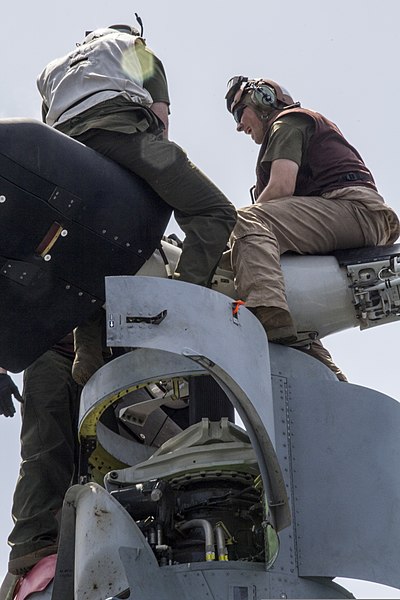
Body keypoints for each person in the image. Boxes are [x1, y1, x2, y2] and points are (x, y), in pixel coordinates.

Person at [37, 22, 237, 385]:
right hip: (124, 137)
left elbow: (49, 130)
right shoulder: (133, 46)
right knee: (214, 211)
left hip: (67, 161)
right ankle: (181, 306)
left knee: (87, 246)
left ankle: (87, 349)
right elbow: (159, 119)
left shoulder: (51, 70)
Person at [224, 76, 400, 380]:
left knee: (247, 219)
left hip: (352, 210)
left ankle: (265, 313)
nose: (239, 126)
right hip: (347, 217)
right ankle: (332, 385)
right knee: (290, 314)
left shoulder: (288, 123)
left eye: (240, 113)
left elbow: (280, 187)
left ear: (263, 100)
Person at [1, 334, 81, 577]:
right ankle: (32, 538)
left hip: (107, 356)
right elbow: (13, 301)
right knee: (46, 445)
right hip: (51, 350)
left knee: (99, 454)